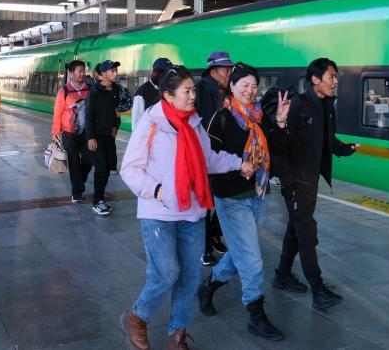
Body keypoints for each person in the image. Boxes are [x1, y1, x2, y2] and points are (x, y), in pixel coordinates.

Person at [119, 65, 253, 350]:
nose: (193, 96)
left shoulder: (194, 122)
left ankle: (177, 334)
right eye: (187, 91)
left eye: (193, 90)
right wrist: (157, 190)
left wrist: (238, 163)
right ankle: (137, 317)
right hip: (159, 212)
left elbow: (208, 159)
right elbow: (130, 169)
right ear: (169, 96)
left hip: (193, 211)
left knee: (190, 276)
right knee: (167, 272)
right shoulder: (151, 123)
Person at [197, 63, 288, 341]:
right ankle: (256, 312)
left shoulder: (260, 116)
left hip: (259, 194)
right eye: (244, 85)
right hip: (231, 198)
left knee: (240, 252)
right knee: (251, 258)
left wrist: (280, 121)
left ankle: (210, 285)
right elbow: (209, 160)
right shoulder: (221, 118)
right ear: (232, 86)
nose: (250, 90)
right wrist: (239, 165)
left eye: (253, 85)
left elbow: (278, 149)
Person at [272, 58, 358, 311]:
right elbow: (280, 149)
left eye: (336, 77)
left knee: (296, 229)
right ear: (315, 79)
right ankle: (318, 290)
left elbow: (326, 139)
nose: (335, 82)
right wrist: (289, 184)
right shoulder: (298, 105)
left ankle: (282, 275)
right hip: (296, 184)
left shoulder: (327, 105)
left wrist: (344, 149)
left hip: (310, 182)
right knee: (307, 234)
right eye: (331, 77)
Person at [195, 51, 235, 267]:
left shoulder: (228, 90)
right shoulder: (199, 91)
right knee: (206, 203)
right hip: (205, 154)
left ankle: (213, 235)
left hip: (225, 153)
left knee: (225, 198)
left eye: (229, 69)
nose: (228, 73)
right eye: (224, 69)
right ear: (212, 70)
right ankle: (204, 247)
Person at [52, 60, 92, 203]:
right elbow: (58, 112)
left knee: (89, 159)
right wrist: (56, 132)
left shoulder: (90, 88)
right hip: (69, 132)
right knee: (74, 162)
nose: (82, 74)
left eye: (83, 71)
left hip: (86, 131)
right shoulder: (64, 91)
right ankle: (77, 192)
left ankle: (79, 183)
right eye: (79, 71)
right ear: (71, 74)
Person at [85, 60, 121, 216]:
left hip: (108, 136)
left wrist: (115, 126)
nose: (116, 73)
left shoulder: (116, 90)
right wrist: (90, 138)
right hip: (96, 136)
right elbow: (88, 115)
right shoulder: (95, 91)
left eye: (116, 70)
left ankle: (100, 198)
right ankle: (97, 201)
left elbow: (116, 112)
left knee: (108, 167)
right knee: (101, 167)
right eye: (112, 71)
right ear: (104, 74)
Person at [131, 57, 173, 129]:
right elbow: (136, 122)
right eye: (167, 73)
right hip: (149, 134)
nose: (170, 76)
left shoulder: (168, 88)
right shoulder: (142, 92)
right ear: (158, 73)